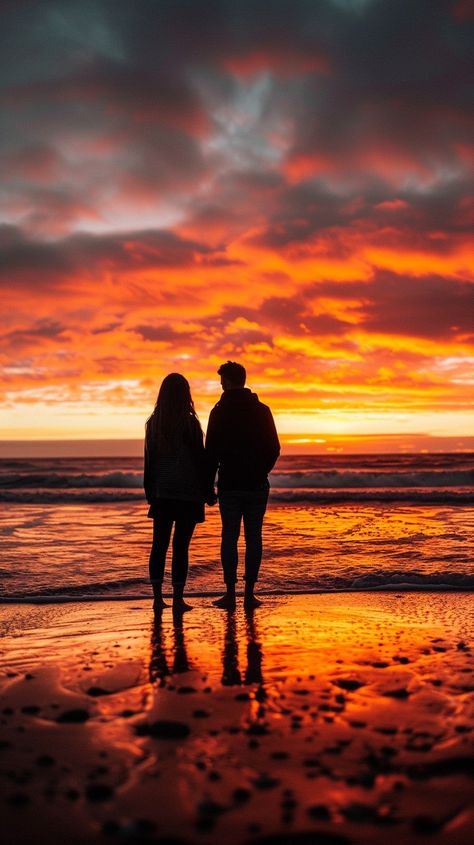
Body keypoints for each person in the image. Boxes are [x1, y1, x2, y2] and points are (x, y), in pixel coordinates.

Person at [206, 361, 280, 608]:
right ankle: (249, 593)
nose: (220, 384)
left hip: (229, 483)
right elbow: (274, 448)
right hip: (257, 484)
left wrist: (208, 485)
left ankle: (230, 593)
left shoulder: (219, 411)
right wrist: (261, 470)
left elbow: (211, 452)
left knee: (230, 536)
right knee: (253, 537)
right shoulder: (262, 410)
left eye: (221, 380)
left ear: (227, 381)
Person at [144, 373, 214, 613]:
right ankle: (178, 599)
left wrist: (150, 491)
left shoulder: (153, 423)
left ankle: (156, 599)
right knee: (181, 547)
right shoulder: (190, 424)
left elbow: (149, 461)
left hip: (162, 493)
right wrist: (208, 491)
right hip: (187, 494)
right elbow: (199, 461)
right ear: (186, 395)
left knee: (159, 545)